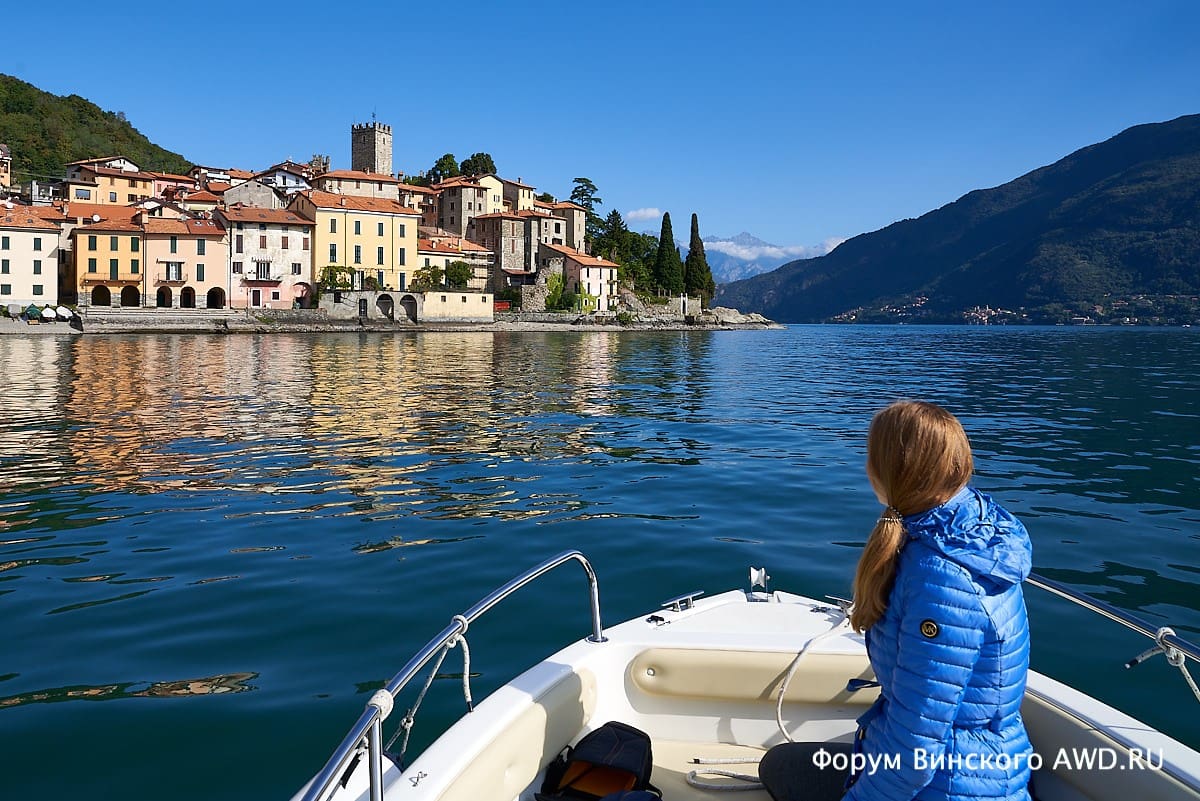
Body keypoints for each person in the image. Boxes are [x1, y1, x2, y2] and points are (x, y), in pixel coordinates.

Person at [843, 400, 1034, 801]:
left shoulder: (940, 579)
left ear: (895, 472)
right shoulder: (973, 528)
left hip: (950, 786)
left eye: (871, 457)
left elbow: (915, 752)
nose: (865, 468)